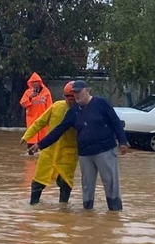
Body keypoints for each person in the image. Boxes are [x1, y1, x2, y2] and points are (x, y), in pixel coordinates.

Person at [29, 80, 128, 211]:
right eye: (74, 93)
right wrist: (40, 145)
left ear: (87, 90)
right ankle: (88, 213)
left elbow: (115, 122)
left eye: (79, 92)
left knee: (110, 183)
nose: (76, 95)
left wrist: (122, 142)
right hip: (84, 154)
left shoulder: (101, 103)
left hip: (104, 150)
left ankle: (115, 212)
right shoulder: (73, 111)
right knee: (87, 186)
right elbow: (59, 130)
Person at [20, 81, 79, 205]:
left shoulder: (82, 111)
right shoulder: (57, 107)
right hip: (49, 151)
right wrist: (27, 136)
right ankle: (33, 206)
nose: (72, 101)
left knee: (65, 183)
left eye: (75, 98)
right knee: (38, 182)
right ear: (64, 97)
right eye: (69, 98)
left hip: (68, 153)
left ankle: (63, 210)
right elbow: (40, 122)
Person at [19, 72, 53, 148]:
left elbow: (50, 106)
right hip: (32, 120)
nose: (34, 84)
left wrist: (50, 119)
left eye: (36, 82)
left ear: (40, 82)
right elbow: (22, 104)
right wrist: (30, 98)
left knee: (43, 141)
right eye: (33, 82)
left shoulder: (46, 92)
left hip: (43, 120)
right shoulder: (28, 92)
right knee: (31, 140)